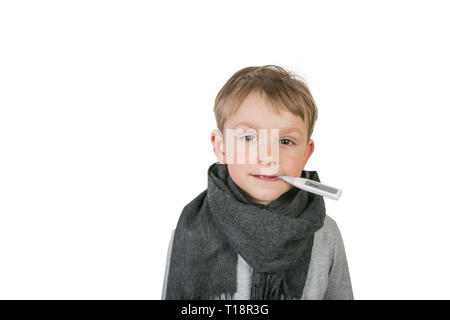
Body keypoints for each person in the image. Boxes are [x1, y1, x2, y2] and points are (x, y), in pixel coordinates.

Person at [162, 65, 353, 300]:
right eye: (249, 138)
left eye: (285, 141)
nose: (268, 156)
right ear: (221, 147)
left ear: (306, 153)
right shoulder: (190, 231)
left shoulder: (324, 233)